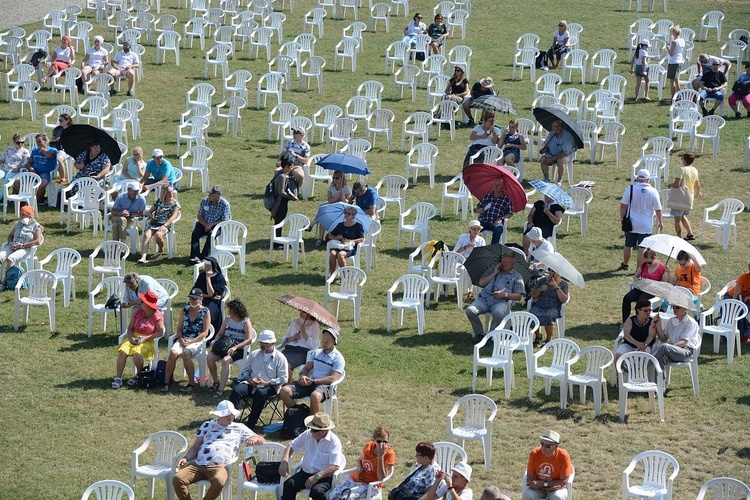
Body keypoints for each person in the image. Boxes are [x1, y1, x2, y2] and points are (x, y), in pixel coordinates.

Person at [173, 400, 265, 500]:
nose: (230, 417)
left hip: (219, 466)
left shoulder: (240, 428)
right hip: (198, 464)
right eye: (226, 415)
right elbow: (195, 447)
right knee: (178, 479)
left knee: (219, 481)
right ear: (219, 415)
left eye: (232, 414)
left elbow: (262, 440)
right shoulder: (207, 425)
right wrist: (186, 458)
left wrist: (255, 440)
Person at [228, 329, 289, 429]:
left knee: (260, 393)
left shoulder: (280, 358)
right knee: (237, 390)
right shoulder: (254, 354)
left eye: (265, 343)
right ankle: (230, 419)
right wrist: (249, 379)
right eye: (261, 342)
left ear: (272, 343)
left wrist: (267, 382)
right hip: (251, 383)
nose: (262, 345)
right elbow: (245, 371)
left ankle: (251, 422)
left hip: (270, 386)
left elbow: (284, 378)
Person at [279, 412, 346, 500]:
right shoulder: (308, 434)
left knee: (317, 492)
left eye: (314, 430)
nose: (310, 431)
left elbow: (334, 466)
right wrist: (284, 461)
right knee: (289, 484)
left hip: (323, 477)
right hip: (305, 473)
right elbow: (291, 445)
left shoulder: (334, 442)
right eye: (310, 428)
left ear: (323, 431)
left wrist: (317, 476)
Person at [279, 328, 344, 415]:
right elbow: (306, 368)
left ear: (334, 342)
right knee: (284, 390)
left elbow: (332, 378)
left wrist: (314, 381)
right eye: (323, 341)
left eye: (327, 342)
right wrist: (302, 375)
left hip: (325, 386)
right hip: (310, 382)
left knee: (315, 396)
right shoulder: (316, 353)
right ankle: (299, 414)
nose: (324, 344)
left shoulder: (338, 358)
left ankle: (312, 422)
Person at [465, 252, 525, 342]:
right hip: (484, 299)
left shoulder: (517, 276)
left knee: (498, 313)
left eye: (506, 262)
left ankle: (490, 335)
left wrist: (504, 294)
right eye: (503, 261)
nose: (504, 263)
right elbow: (481, 283)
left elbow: (519, 296)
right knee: (470, 310)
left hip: (501, 301)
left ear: (513, 264)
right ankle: (480, 333)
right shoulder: (493, 270)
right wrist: (494, 273)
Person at [112, 290, 165, 389]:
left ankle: (138, 375)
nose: (140, 302)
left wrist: (146, 338)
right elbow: (129, 328)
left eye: (142, 301)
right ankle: (118, 377)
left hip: (148, 339)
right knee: (122, 351)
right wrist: (131, 338)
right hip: (134, 336)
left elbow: (161, 332)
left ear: (148, 305)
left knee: (137, 353)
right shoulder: (138, 312)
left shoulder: (157, 316)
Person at [163, 288, 211, 393]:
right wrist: (180, 339)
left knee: (186, 353)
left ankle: (191, 383)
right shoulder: (184, 310)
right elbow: (179, 329)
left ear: (200, 299)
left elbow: (205, 332)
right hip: (183, 338)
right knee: (172, 353)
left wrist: (191, 341)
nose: (192, 301)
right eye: (191, 298)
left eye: (195, 299)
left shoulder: (205, 312)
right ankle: (167, 382)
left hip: (197, 340)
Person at [327, 427, 396, 500]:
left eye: (385, 442)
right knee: (333, 495)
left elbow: (381, 478)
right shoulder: (369, 446)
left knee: (346, 498)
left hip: (371, 485)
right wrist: (359, 467)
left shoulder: (389, 454)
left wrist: (380, 457)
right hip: (356, 479)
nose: (382, 444)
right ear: (374, 440)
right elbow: (359, 460)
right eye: (379, 441)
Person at [207, 298, 254, 398]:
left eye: (232, 311)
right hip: (224, 345)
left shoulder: (245, 321)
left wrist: (236, 347)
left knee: (225, 360)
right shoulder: (227, 319)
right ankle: (216, 382)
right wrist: (216, 341)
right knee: (210, 358)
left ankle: (221, 389)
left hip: (238, 349)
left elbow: (249, 339)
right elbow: (220, 333)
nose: (230, 313)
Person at [619, 169, 662, 271]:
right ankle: (639, 270)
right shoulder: (653, 191)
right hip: (646, 224)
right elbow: (658, 209)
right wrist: (661, 222)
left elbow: (623, 206)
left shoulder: (630, 189)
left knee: (628, 244)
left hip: (631, 222)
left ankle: (625, 264)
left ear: (637, 178)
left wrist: (622, 218)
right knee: (642, 248)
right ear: (648, 179)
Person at [621, 248, 670, 323]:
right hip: (642, 287)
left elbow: (664, 284)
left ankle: (639, 320)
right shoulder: (644, 265)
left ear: (655, 258)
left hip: (653, 290)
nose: (648, 264)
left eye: (649, 262)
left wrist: (653, 284)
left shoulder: (662, 268)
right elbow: (636, 276)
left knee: (641, 300)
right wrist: (640, 282)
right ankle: (625, 322)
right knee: (627, 298)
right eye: (646, 262)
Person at [0, 206, 43, 291]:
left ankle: (4, 283)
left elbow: (37, 241)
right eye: (21, 214)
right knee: (0, 256)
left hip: (26, 249)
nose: (21, 217)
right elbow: (10, 236)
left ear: (30, 216)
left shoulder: (36, 226)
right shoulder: (18, 224)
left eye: (23, 215)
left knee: (11, 258)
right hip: (14, 246)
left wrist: (22, 245)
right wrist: (10, 243)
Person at [522, 430, 573, 500]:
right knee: (527, 494)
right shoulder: (534, 454)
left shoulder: (563, 456)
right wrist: (545, 487)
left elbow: (563, 482)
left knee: (558, 497)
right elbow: (529, 480)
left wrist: (543, 484)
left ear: (556, 446)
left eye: (548, 446)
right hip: (539, 488)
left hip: (555, 489)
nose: (543, 447)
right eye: (542, 444)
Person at [651, 303, 701, 374]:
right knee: (659, 357)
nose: (674, 309)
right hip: (672, 350)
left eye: (677, 307)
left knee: (664, 346)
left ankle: (642, 365)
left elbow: (683, 342)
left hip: (686, 352)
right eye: (673, 307)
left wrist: (667, 350)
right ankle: (660, 383)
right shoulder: (671, 321)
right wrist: (658, 325)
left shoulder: (691, 323)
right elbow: (663, 338)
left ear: (685, 308)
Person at [308, 169, 352, 246]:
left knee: (324, 215)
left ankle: (311, 225)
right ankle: (320, 238)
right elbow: (329, 201)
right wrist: (337, 196)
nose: (335, 180)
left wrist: (342, 197)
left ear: (342, 178)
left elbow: (348, 203)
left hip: (342, 211)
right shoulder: (331, 187)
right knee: (323, 217)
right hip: (332, 208)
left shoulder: (346, 188)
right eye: (333, 177)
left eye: (337, 178)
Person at [138, 184, 180, 263]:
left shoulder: (175, 204)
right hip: (155, 222)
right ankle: (143, 257)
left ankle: (160, 250)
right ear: (164, 193)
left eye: (171, 192)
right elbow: (149, 212)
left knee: (158, 235)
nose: (171, 194)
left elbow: (173, 217)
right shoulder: (158, 201)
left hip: (165, 223)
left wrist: (165, 225)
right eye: (168, 192)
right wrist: (152, 217)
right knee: (147, 235)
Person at [190, 186, 231, 263]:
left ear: (217, 196)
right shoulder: (205, 201)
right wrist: (205, 225)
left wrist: (212, 225)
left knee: (211, 235)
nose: (209, 196)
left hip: (217, 226)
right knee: (195, 234)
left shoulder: (225, 204)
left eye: (211, 195)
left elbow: (225, 219)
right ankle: (194, 256)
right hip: (203, 223)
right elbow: (199, 215)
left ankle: (204, 256)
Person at [529, 268, 569, 346]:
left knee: (548, 316)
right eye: (549, 269)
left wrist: (556, 287)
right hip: (540, 305)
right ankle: (538, 336)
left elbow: (564, 300)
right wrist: (540, 289)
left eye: (553, 271)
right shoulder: (542, 281)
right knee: (531, 316)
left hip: (553, 307)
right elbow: (533, 295)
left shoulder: (564, 284)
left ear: (558, 273)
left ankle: (549, 338)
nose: (550, 272)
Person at [667, 153, 702, 240]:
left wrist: (670, 185)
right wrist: (698, 193)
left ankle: (679, 238)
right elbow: (697, 184)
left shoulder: (681, 169)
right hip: (689, 197)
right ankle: (690, 234)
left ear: (684, 160)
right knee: (682, 216)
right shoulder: (695, 170)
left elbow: (677, 184)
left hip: (680, 198)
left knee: (677, 219)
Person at [615, 298, 657, 368]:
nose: (648, 312)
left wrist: (643, 346)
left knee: (641, 356)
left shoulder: (651, 321)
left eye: (650, 310)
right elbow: (626, 335)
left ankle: (634, 375)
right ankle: (619, 377)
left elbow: (651, 335)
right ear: (638, 310)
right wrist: (637, 343)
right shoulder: (630, 320)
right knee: (618, 356)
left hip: (645, 346)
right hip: (630, 345)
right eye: (645, 310)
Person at [280, 311, 321, 383]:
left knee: (287, 364)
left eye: (304, 312)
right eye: (300, 310)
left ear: (309, 314)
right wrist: (293, 338)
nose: (301, 313)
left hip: (302, 351)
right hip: (289, 349)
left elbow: (314, 345)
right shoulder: (295, 321)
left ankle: (287, 384)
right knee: (279, 360)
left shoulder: (315, 325)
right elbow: (284, 340)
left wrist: (304, 333)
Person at [20, 133, 58, 206]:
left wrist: (43, 149)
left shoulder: (53, 150)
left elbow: (50, 156)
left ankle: (32, 203)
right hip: (34, 172)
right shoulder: (35, 150)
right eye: (37, 142)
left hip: (45, 172)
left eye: (40, 141)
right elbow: (28, 163)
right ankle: (23, 200)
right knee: (17, 181)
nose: (38, 143)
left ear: (45, 141)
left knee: (42, 184)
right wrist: (31, 168)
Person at [193, 256, 228, 334]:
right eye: (205, 266)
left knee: (208, 313)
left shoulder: (219, 277)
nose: (206, 269)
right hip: (202, 298)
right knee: (191, 309)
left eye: (208, 267)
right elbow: (195, 291)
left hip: (214, 302)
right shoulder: (202, 275)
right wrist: (208, 296)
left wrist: (208, 278)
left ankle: (207, 333)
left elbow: (212, 293)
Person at [270, 158, 299, 248]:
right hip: (280, 203)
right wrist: (291, 197)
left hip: (280, 203)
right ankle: (277, 243)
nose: (292, 168)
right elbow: (281, 192)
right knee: (279, 222)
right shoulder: (282, 176)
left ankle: (277, 241)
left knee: (278, 222)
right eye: (291, 167)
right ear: (286, 166)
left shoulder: (280, 174)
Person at [327, 206, 365, 273]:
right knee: (332, 254)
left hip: (350, 247)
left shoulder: (358, 226)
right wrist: (337, 237)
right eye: (345, 213)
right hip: (339, 245)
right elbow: (330, 236)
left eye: (349, 214)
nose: (346, 215)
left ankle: (344, 276)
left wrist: (350, 241)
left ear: (353, 216)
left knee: (340, 255)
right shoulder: (340, 225)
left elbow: (361, 239)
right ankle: (332, 274)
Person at [476, 177, 514, 245]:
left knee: (498, 230)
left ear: (503, 187)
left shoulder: (506, 199)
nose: (496, 187)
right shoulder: (487, 196)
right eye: (495, 184)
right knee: (473, 227)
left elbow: (510, 213)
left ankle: (493, 251)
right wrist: (480, 210)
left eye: (498, 185)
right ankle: (471, 246)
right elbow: (478, 207)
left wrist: (501, 218)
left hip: (496, 222)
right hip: (484, 221)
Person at [455, 219, 486, 300]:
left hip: (474, 261)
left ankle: (469, 291)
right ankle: (457, 287)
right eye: (474, 229)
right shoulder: (463, 237)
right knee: (456, 268)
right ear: (469, 229)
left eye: (478, 229)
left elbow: (483, 255)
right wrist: (467, 246)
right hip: (461, 258)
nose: (476, 231)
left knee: (467, 269)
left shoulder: (481, 240)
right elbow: (456, 252)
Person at [539, 120, 575, 186]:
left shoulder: (567, 136)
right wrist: (545, 149)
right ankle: (546, 178)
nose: (554, 128)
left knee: (560, 160)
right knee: (543, 159)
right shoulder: (551, 133)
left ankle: (559, 180)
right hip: (552, 153)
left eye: (557, 127)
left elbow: (565, 153)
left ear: (561, 127)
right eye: (553, 126)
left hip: (565, 155)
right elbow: (547, 145)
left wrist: (552, 159)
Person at [49, 113, 73, 183]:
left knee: (59, 159)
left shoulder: (72, 130)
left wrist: (63, 139)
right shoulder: (57, 129)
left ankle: (63, 178)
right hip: (55, 147)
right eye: (59, 120)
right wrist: (55, 140)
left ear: (67, 120)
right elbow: (52, 140)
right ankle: (48, 174)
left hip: (66, 150)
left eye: (61, 120)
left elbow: (73, 142)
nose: (60, 122)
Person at [665, 26, 685, 103]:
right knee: (676, 80)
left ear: (674, 33)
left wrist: (668, 47)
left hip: (673, 62)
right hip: (679, 61)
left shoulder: (674, 42)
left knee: (672, 81)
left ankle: (673, 97)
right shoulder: (682, 40)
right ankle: (678, 96)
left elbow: (671, 54)